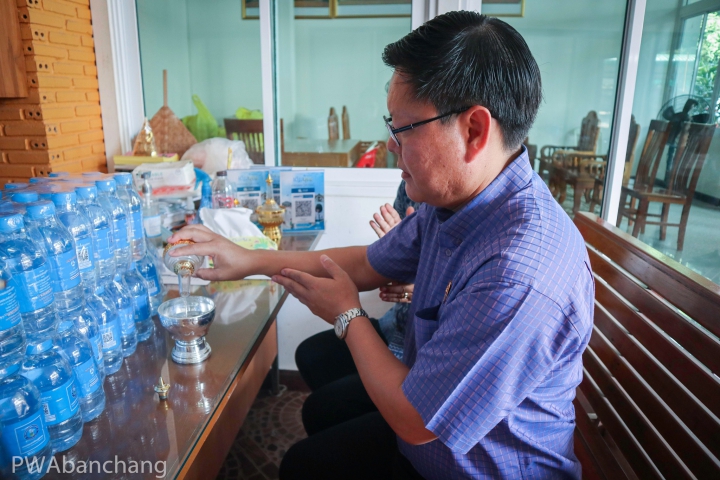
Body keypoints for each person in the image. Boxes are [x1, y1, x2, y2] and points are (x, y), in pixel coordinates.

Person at [168, 11, 593, 480]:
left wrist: (348, 315)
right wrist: (248, 259)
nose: (390, 144)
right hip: (428, 432)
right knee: (319, 421)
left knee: (303, 466)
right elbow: (368, 263)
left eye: (404, 128)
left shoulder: (521, 272)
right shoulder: (455, 202)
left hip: (472, 466)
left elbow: (415, 421)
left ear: (473, 131)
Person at [294, 181, 420, 437]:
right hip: (394, 326)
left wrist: (421, 286)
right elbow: (382, 262)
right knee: (310, 355)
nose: (399, 161)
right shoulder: (410, 185)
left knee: (320, 410)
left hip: (416, 350)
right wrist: (397, 256)